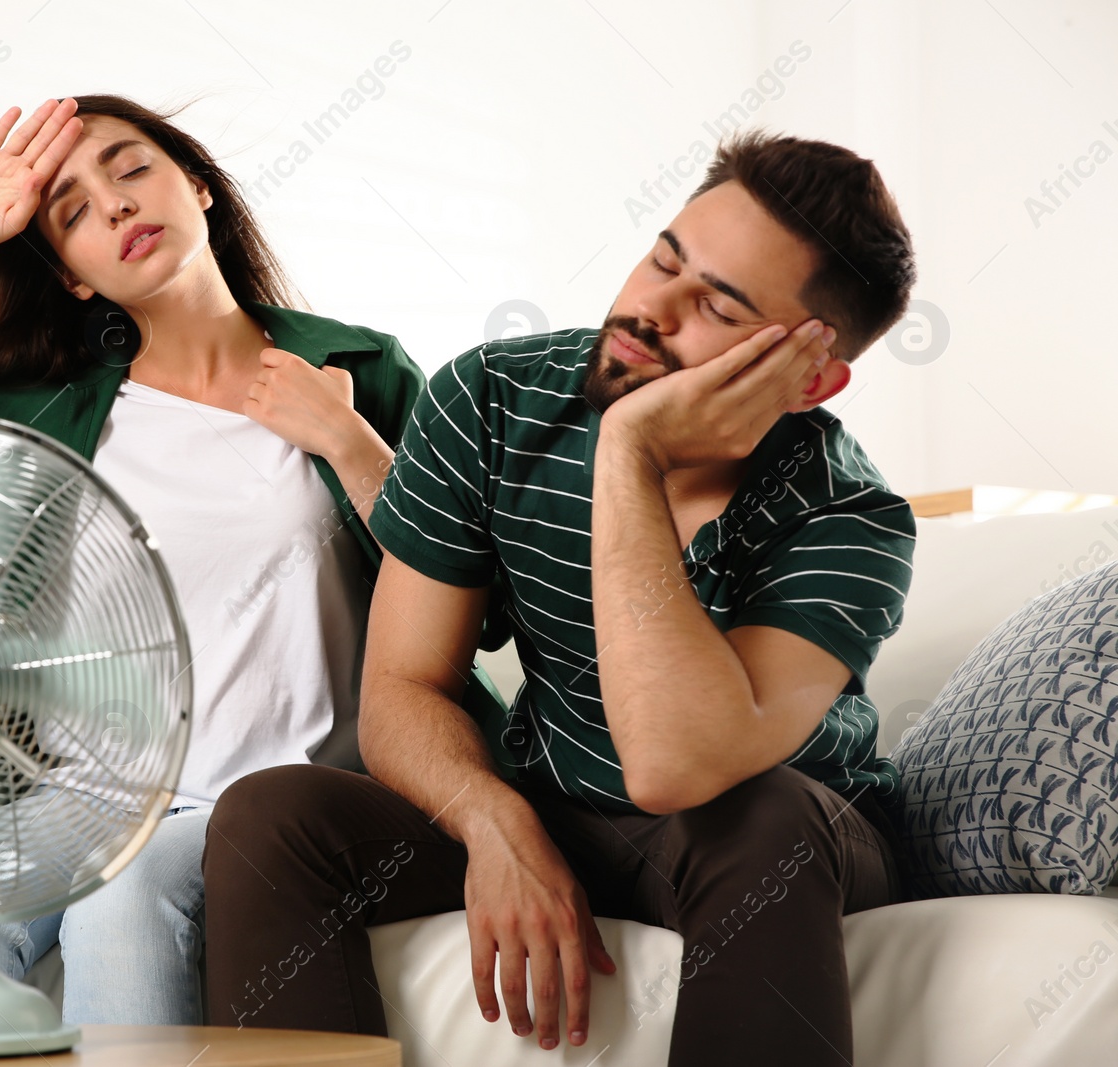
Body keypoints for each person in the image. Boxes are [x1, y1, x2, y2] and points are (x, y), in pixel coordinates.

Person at [0, 94, 507, 1026]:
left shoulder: (356, 370)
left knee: (124, 892)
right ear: (71, 276)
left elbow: (485, 603)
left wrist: (352, 447)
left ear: (198, 186)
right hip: (75, 803)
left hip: (271, 806)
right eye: (70, 211)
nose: (113, 205)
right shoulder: (42, 409)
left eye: (130, 167)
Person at [201, 131, 918, 1066]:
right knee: (274, 816)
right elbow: (405, 687)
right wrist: (492, 818)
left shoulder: (849, 517)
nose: (648, 307)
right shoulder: (491, 399)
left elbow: (673, 768)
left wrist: (630, 450)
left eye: (716, 305)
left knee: (764, 818)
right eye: (664, 257)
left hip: (761, 833)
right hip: (559, 802)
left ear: (810, 377)